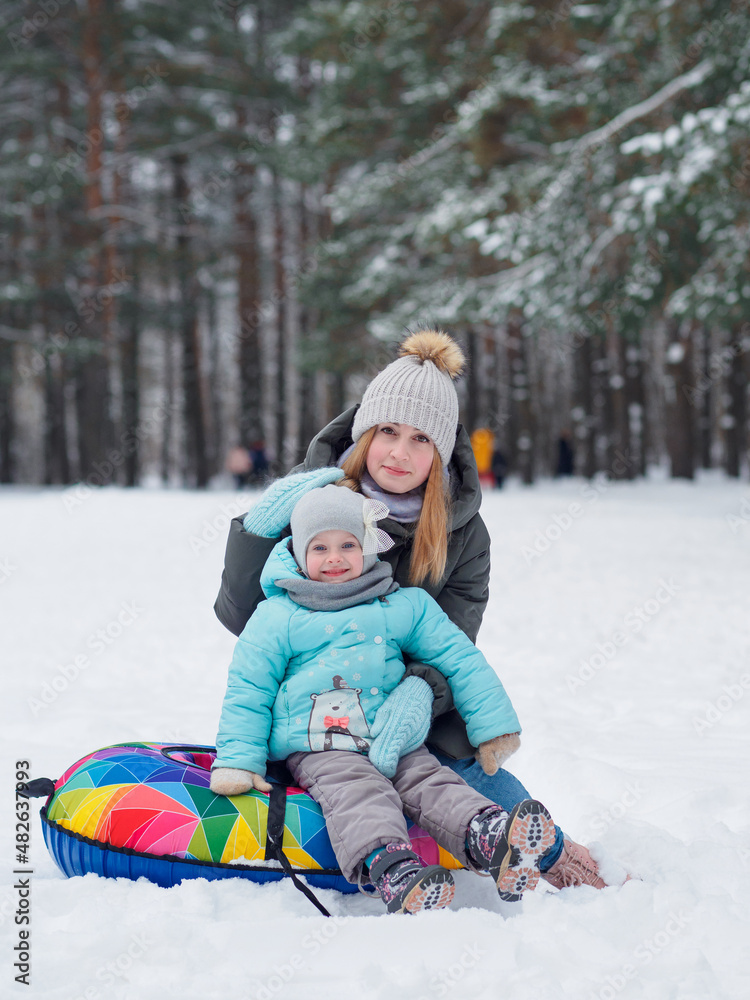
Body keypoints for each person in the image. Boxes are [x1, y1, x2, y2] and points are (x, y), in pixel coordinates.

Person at [214, 328, 615, 890]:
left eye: (421, 439)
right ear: (365, 433)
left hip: (407, 708)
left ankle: (553, 860)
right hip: (316, 710)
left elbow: (454, 641)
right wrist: (258, 531)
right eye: (388, 432)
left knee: (467, 776)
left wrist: (421, 693)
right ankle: (389, 863)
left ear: (441, 452)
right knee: (354, 782)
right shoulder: (316, 504)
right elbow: (244, 616)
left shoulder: (464, 535)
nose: (400, 453)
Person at [211, 485, 557, 913]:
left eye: (348, 545)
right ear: (299, 552)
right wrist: (239, 761)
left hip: (393, 737)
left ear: (368, 546)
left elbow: (459, 658)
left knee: (431, 780)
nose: (335, 558)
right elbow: (249, 688)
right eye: (319, 547)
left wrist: (494, 727)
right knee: (357, 791)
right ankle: (392, 868)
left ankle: (489, 837)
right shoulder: (279, 616)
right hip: (319, 746)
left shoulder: (400, 605)